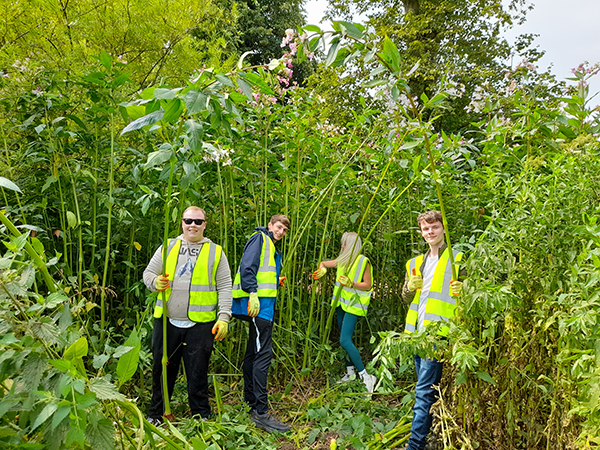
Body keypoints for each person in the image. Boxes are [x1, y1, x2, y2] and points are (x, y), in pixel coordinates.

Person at [143, 206, 232, 425]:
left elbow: (225, 287)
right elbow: (148, 273)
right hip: (167, 321)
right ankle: (157, 414)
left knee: (197, 372)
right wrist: (155, 283)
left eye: (198, 221)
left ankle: (200, 415)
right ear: (182, 222)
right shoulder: (168, 246)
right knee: (162, 369)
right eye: (188, 220)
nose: (193, 225)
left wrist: (224, 317)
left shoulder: (216, 252)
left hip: (200, 324)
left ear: (205, 225)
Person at [402, 211, 465, 450]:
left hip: (439, 335)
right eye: (426, 229)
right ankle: (434, 438)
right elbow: (405, 298)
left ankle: (415, 446)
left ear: (443, 229)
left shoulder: (457, 259)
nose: (430, 232)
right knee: (428, 392)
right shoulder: (415, 263)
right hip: (417, 335)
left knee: (423, 393)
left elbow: (472, 295)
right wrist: (409, 287)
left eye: (435, 227)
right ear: (421, 232)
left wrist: (464, 288)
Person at [231, 214, 291, 433]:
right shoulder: (260, 239)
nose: (281, 232)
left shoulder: (269, 244)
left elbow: (261, 270)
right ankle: (261, 412)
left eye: (285, 230)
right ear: (270, 225)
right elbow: (248, 266)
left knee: (253, 353)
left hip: (261, 304)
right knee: (263, 354)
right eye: (278, 227)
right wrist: (253, 292)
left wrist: (275, 280)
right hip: (259, 306)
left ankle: (250, 401)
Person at [312, 232, 377, 394]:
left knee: (345, 340)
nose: (342, 246)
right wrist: (322, 269)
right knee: (344, 338)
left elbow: (368, 285)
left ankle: (366, 376)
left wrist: (352, 283)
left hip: (354, 305)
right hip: (341, 304)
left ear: (353, 245)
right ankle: (350, 373)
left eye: (345, 244)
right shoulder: (342, 260)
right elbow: (324, 263)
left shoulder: (363, 261)